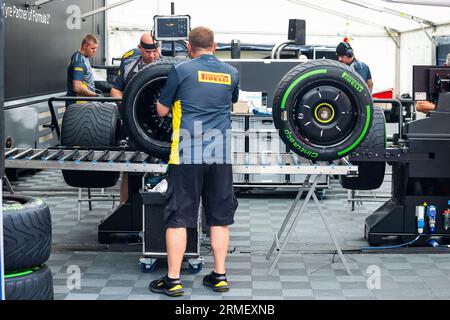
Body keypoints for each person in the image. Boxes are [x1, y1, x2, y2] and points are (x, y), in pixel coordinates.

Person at [149, 26, 239, 297]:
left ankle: (173, 281)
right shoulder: (231, 73)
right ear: (215, 45)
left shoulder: (181, 70)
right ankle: (220, 276)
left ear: (189, 47)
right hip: (220, 153)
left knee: (178, 216)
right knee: (219, 217)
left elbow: (162, 110)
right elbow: (230, 102)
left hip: (187, 151)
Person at [110, 33, 161, 204]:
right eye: (148, 52)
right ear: (140, 49)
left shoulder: (167, 65)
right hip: (133, 125)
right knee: (130, 167)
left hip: (160, 128)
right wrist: (126, 105)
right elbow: (115, 90)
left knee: (163, 168)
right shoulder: (129, 62)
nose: (152, 55)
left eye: (155, 51)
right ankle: (125, 206)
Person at [67, 35, 99, 105]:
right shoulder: (79, 61)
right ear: (84, 46)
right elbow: (77, 87)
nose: (95, 51)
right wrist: (94, 95)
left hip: (84, 102)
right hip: (79, 104)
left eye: (96, 48)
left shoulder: (83, 57)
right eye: (92, 48)